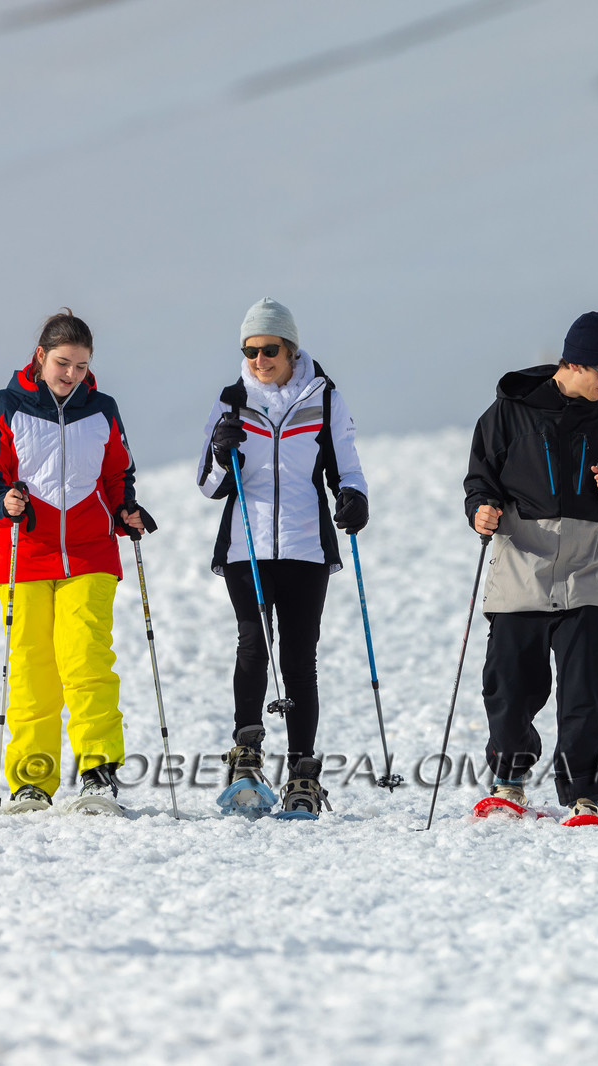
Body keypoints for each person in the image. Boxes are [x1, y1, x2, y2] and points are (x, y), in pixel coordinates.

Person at [0, 309, 151, 815]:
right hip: (25, 554)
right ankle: (32, 781)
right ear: (40, 357)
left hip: (91, 552)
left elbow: (118, 473)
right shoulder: (6, 406)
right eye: (62, 363)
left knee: (86, 659)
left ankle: (98, 773)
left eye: (80, 365)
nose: (70, 374)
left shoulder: (103, 409)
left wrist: (125, 509)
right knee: (32, 670)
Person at [463, 311, 598, 824]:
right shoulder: (505, 415)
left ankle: (584, 791)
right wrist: (481, 510)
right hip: (521, 568)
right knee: (510, 686)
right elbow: (479, 482)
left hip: (583, 575)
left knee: (585, 690)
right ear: (574, 364)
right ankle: (510, 778)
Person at [196, 298, 369, 819]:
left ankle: (302, 774)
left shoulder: (324, 395)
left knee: (299, 656)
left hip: (305, 546)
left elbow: (346, 465)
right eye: (249, 350)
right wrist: (222, 453)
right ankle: (245, 756)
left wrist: (354, 497)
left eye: (269, 349)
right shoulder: (230, 400)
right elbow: (208, 485)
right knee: (253, 642)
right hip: (246, 545)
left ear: (290, 349)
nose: (259, 359)